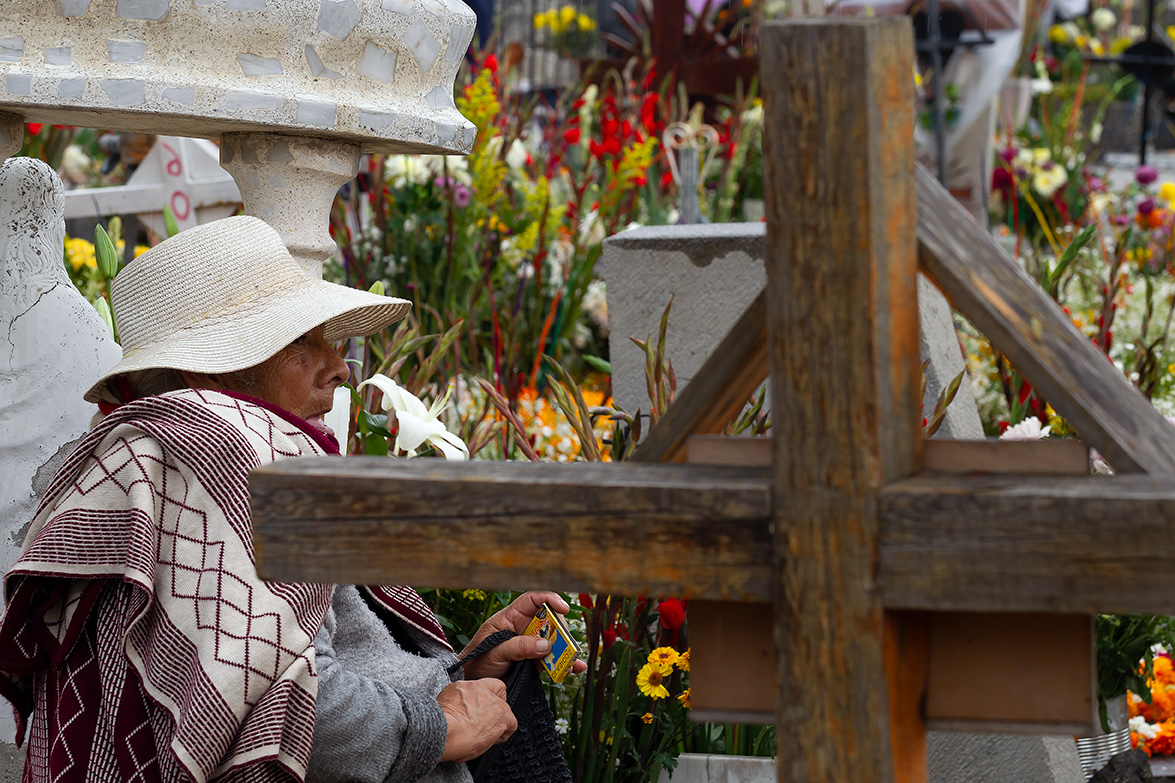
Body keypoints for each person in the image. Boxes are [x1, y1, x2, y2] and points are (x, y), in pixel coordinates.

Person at [0, 215, 582, 783]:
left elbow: (314, 655)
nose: (338, 368)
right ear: (220, 366)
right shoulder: (230, 446)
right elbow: (282, 706)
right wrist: (439, 726)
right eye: (305, 342)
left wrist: (460, 673)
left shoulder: (166, 451)